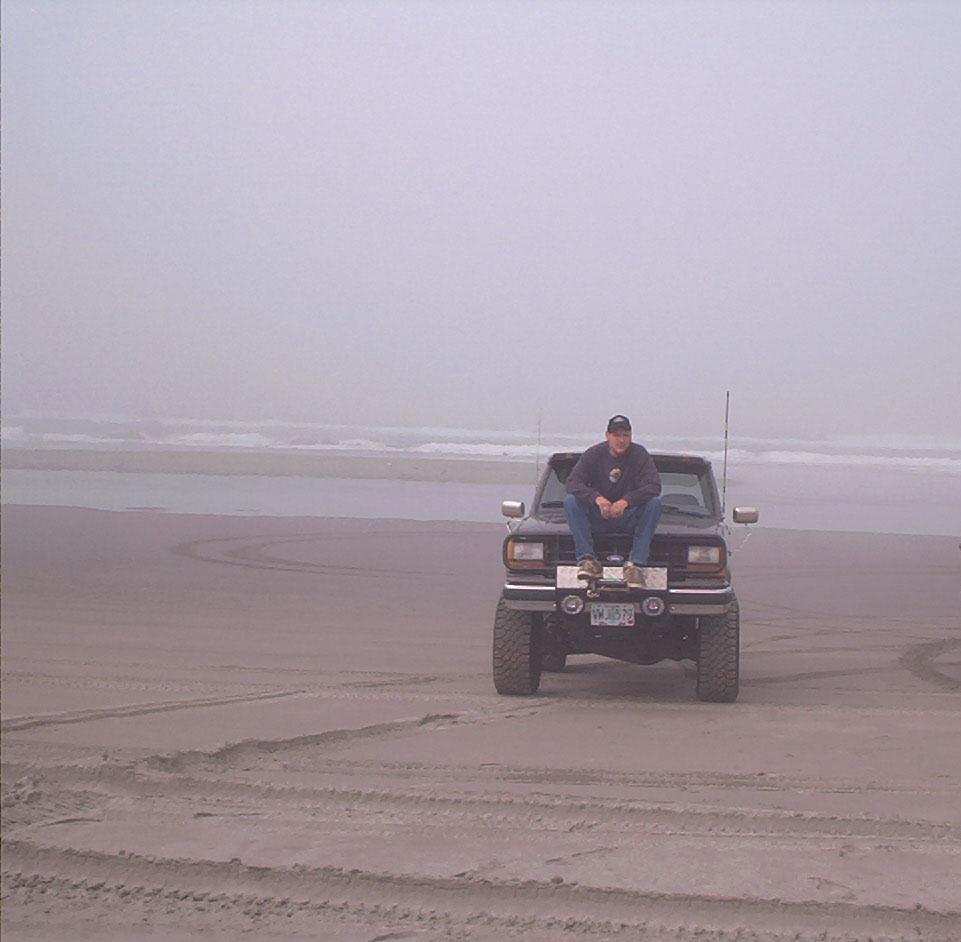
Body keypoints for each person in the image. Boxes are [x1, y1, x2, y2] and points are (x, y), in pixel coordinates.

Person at [564, 415, 662, 583]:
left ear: (631, 436)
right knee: (571, 501)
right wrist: (597, 498)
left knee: (654, 503)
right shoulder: (593, 454)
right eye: (617, 435)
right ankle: (587, 560)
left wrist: (626, 501)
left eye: (625, 435)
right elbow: (572, 483)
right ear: (607, 435)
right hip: (597, 518)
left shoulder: (640, 455)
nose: (621, 440)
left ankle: (636, 564)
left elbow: (654, 486)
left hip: (629, 518)